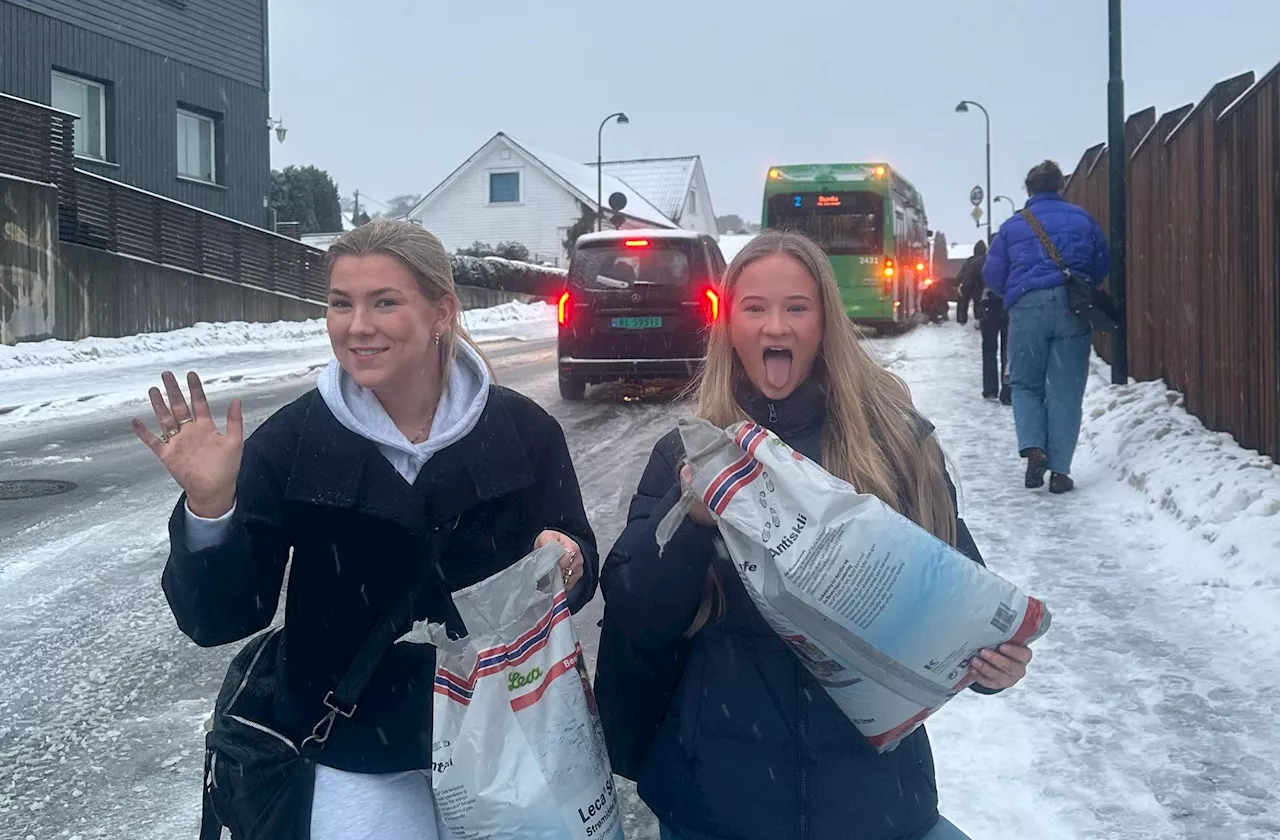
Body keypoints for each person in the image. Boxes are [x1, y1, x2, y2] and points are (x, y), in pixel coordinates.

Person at [133, 219, 598, 839]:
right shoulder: (295, 442)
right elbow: (222, 617)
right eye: (340, 304)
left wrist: (567, 560)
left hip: (503, 739)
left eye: (384, 302)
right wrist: (212, 508)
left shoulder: (523, 431)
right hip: (354, 754)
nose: (358, 326)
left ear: (441, 312)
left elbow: (577, 554)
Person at [598, 230, 1034, 840]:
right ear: (729, 325)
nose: (776, 327)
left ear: (826, 320)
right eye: (755, 308)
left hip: (875, 804)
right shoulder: (684, 454)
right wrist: (691, 519)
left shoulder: (894, 446)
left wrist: (992, 663)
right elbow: (636, 612)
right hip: (720, 798)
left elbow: (958, 597)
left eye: (796, 307)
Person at [983, 160, 1109, 494]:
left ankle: (1035, 448)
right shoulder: (1083, 219)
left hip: (1027, 308)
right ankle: (1061, 471)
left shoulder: (1013, 226)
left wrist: (1015, 290)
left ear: (1029, 189)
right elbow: (1102, 263)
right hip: (1073, 307)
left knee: (1025, 384)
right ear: (1060, 186)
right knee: (1066, 389)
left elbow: (993, 275)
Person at [953, 240, 985, 326]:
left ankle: (961, 319)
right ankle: (978, 319)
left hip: (967, 284)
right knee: (978, 302)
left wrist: (957, 282)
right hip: (978, 284)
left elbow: (962, 272)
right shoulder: (985, 260)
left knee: (963, 302)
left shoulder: (970, 260)